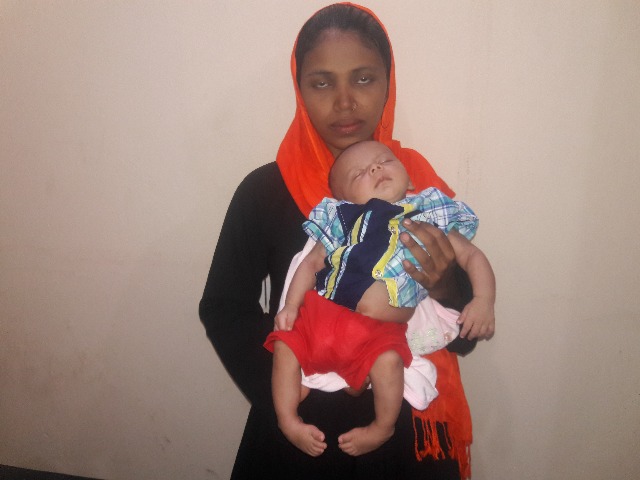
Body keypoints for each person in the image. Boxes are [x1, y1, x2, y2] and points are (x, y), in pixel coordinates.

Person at [199, 4, 494, 479]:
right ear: (299, 89)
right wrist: (297, 384)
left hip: (401, 431)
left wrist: (442, 285)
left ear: (387, 84)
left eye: (363, 79)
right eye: (322, 82)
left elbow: (461, 336)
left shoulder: (419, 191)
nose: (344, 102)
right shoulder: (265, 192)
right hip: (301, 438)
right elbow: (224, 307)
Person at [264, 140, 495, 458]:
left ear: (409, 179)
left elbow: (471, 256)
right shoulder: (341, 219)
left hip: (379, 333)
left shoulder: (428, 216)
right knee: (284, 345)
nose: (374, 168)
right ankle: (288, 420)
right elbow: (310, 263)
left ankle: (381, 427)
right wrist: (291, 306)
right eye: (359, 173)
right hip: (322, 318)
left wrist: (483, 299)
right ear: (344, 199)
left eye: (384, 161)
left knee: (389, 365)